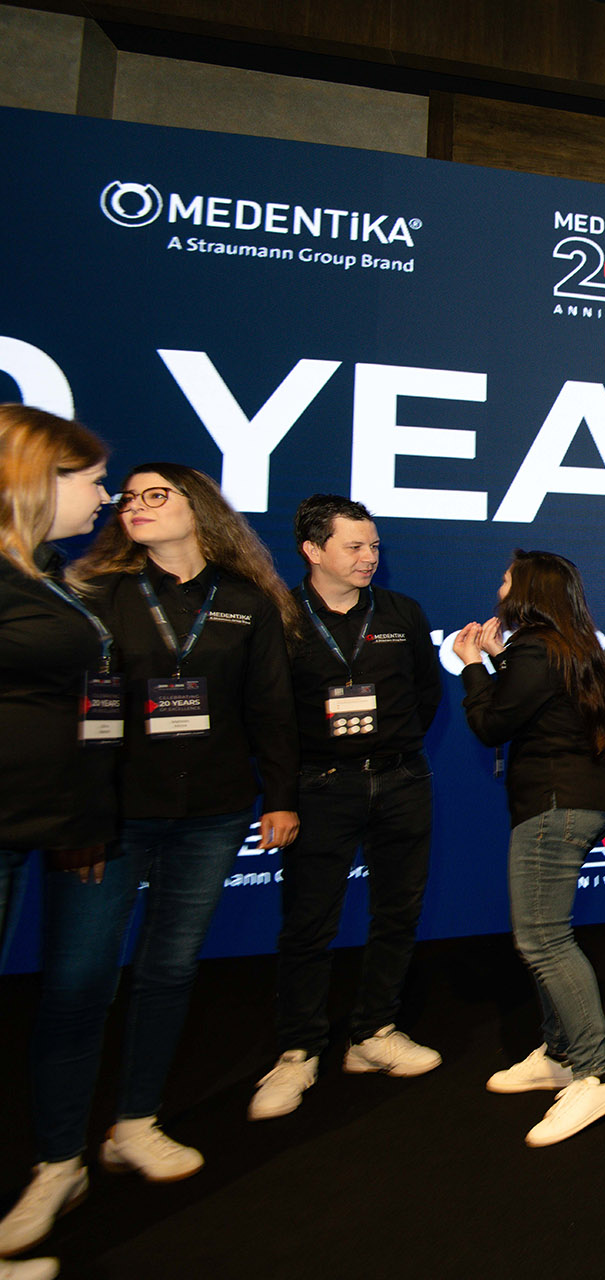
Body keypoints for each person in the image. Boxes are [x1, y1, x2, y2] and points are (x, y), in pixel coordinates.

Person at [64, 464, 300, 1180]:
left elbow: (271, 708)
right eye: (128, 497)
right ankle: (58, 1153)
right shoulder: (96, 594)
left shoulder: (246, 602)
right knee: (82, 980)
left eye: (155, 495)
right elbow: (74, 714)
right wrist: (81, 814)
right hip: (111, 818)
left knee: (168, 970)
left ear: (198, 509)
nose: (134, 506)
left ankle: (136, 1121)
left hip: (213, 815)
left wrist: (280, 796)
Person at [250, 494, 443, 1120]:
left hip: (401, 780)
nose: (368, 557)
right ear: (313, 550)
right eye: (354, 546)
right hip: (320, 786)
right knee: (309, 922)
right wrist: (282, 796)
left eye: (374, 546)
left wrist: (394, 751)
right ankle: (298, 1050)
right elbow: (269, 715)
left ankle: (374, 1033)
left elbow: (425, 693)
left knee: (397, 912)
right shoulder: (280, 618)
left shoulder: (401, 611)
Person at [452, 550, 605, 1147]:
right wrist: (499, 659)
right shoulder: (573, 649)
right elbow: (536, 703)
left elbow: (492, 724)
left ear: (528, 591)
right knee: (546, 936)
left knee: (543, 940)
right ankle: (559, 1053)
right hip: (577, 801)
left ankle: (597, 1072)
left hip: (554, 808)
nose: (499, 589)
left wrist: (472, 665)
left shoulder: (536, 650)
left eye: (507, 580)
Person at [0, 404, 116, 1275]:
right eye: (93, 481)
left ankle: (60, 1161)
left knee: (77, 996)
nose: (104, 498)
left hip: (54, 826)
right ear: (38, 479)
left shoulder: (45, 576)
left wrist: (83, 815)